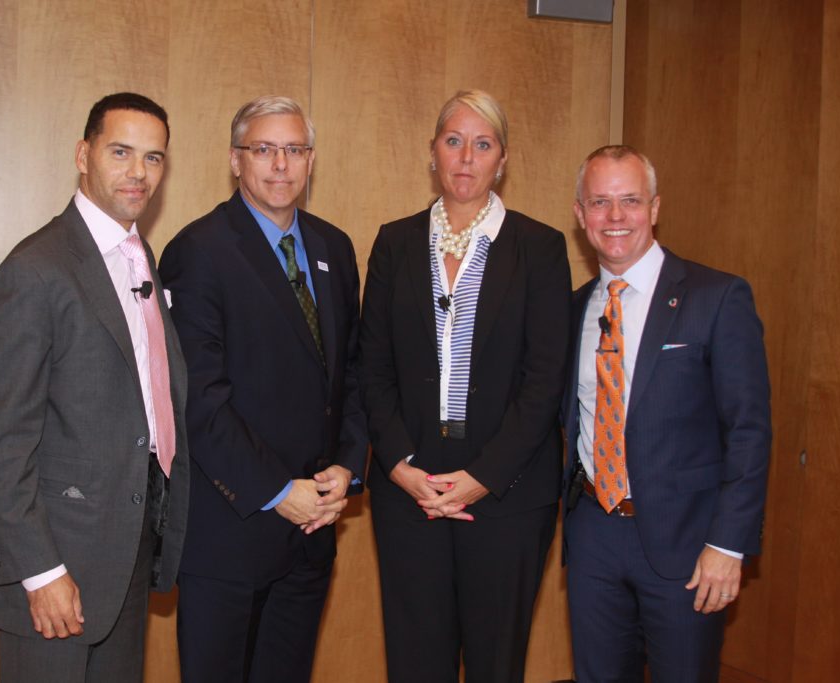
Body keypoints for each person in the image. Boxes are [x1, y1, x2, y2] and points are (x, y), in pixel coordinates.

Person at [0, 92, 190, 682]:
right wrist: (39, 573)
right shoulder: (35, 268)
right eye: (121, 152)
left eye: (153, 158)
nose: (138, 173)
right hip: (56, 564)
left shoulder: (138, 254)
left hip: (125, 553)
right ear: (83, 154)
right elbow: (3, 443)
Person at [359, 89, 571, 682]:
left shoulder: (539, 247)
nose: (466, 158)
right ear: (433, 152)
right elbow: (371, 366)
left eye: (483, 144)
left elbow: (544, 378)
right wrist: (400, 464)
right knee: (415, 662)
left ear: (502, 160)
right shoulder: (395, 243)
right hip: (410, 490)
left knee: (494, 664)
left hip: (507, 493)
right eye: (454, 141)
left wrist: (482, 477)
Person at [158, 95, 368, 683]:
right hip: (232, 530)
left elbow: (350, 373)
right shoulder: (198, 251)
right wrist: (278, 490)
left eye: (295, 150)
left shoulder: (334, 247)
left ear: (310, 160)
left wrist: (348, 466)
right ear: (235, 159)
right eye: (264, 149)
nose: (281, 165)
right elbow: (200, 399)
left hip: (313, 531)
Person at [562, 145, 772, 682]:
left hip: (687, 545)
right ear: (580, 214)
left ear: (654, 208)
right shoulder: (574, 308)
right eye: (600, 202)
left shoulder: (717, 297)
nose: (615, 218)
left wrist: (727, 545)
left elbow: (748, 429)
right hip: (593, 536)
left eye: (629, 201)